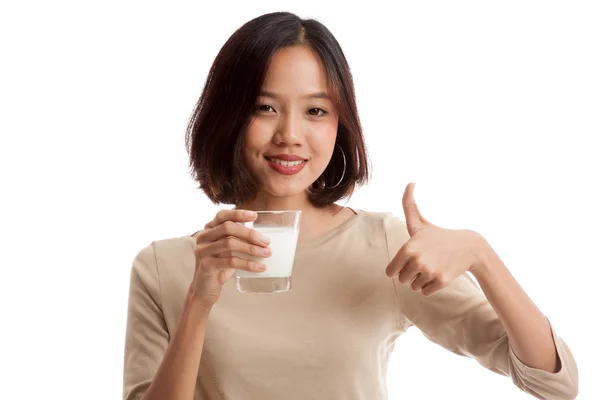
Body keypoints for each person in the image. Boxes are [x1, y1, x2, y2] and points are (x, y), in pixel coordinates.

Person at [122, 11, 578, 400]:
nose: (290, 135)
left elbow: (554, 383)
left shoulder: (384, 245)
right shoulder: (165, 267)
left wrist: (481, 255)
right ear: (227, 116)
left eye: (316, 111)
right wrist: (200, 300)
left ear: (341, 124)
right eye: (264, 107)